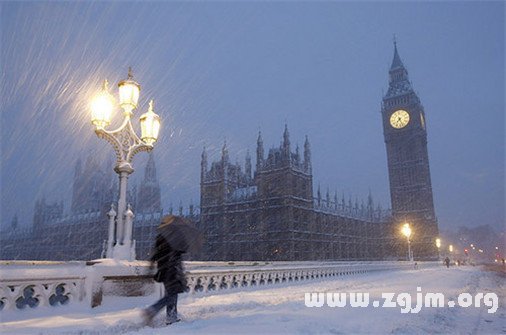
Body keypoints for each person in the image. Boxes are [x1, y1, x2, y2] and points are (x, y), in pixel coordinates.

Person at [142, 216, 187, 326]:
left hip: (163, 269)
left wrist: (151, 266)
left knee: (171, 293)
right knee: (172, 294)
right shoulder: (175, 237)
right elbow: (183, 248)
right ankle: (153, 310)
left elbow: (155, 254)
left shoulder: (161, 237)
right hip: (173, 269)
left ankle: (171, 316)